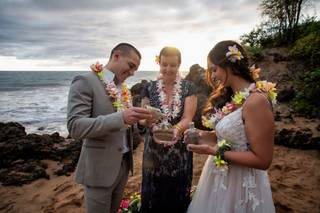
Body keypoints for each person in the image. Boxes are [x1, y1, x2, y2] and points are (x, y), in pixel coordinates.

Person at [186, 40, 276, 213]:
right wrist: (202, 135)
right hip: (217, 178)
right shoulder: (234, 99)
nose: (212, 76)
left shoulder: (256, 101)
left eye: (214, 69)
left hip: (240, 185)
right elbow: (230, 135)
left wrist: (214, 151)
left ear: (230, 64)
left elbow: (263, 160)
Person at [67, 43, 152, 213]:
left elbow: (126, 125)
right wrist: (121, 117)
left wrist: (141, 124)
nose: (133, 72)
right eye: (131, 65)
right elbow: (75, 126)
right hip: (99, 169)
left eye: (135, 69)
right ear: (117, 56)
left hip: (123, 166)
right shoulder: (85, 81)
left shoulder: (125, 89)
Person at [138, 46, 197, 212]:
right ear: (159, 63)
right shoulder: (149, 87)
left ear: (179, 65)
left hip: (179, 150)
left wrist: (175, 131)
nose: (168, 69)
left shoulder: (188, 87)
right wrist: (152, 125)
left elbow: (187, 118)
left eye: (173, 65)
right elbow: (143, 116)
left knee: (177, 191)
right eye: (164, 64)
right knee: (153, 194)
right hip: (154, 150)